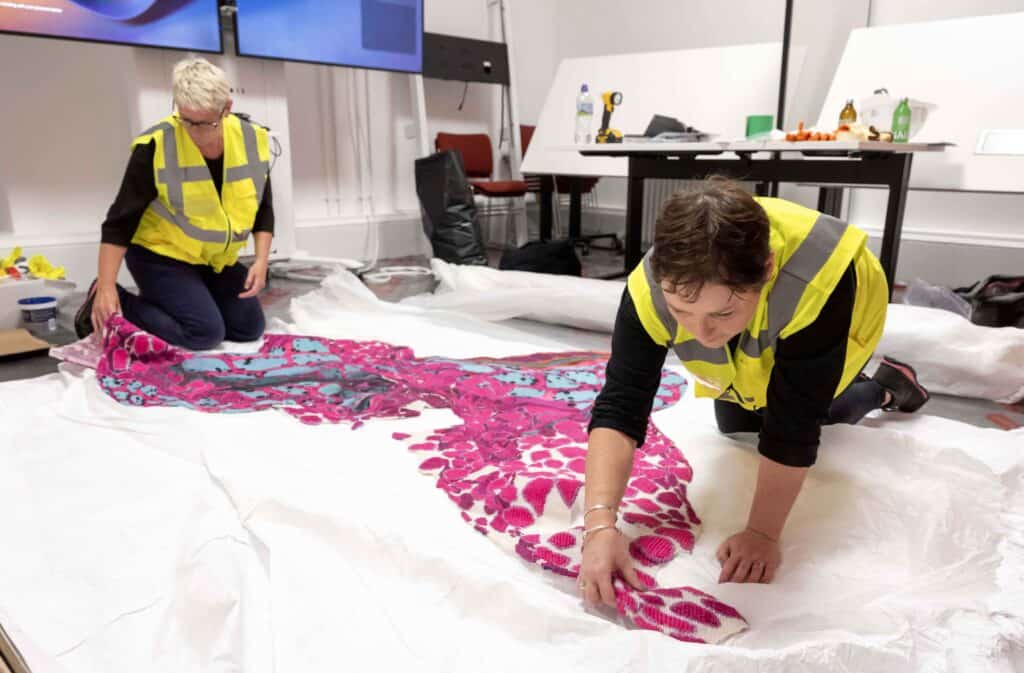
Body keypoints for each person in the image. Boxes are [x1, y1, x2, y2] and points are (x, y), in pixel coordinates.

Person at [577, 178, 930, 606]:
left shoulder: (817, 282)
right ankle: (758, 344)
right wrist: (599, 526)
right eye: (681, 312)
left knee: (806, 411)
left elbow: (792, 428)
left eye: (721, 313)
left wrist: (763, 533)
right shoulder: (650, 288)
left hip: (841, 314)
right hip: (759, 319)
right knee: (738, 423)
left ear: (767, 269)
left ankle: (883, 389)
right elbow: (620, 405)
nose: (701, 334)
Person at [74, 57, 274, 350]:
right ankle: (118, 301)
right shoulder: (154, 146)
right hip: (160, 257)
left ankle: (192, 298)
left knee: (249, 328)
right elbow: (119, 223)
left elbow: (263, 206)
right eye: (186, 120)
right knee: (204, 334)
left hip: (211, 259)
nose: (194, 132)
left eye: (205, 123)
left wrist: (261, 260)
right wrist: (106, 287)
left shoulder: (252, 139)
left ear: (227, 109)